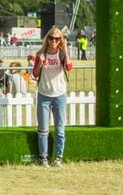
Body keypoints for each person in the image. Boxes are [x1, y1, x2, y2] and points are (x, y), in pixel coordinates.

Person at [32, 27, 73, 167]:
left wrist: (66, 50)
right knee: (43, 129)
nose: (53, 41)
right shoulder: (41, 54)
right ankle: (43, 158)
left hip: (59, 95)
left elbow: (69, 67)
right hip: (44, 94)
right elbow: (35, 74)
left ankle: (58, 158)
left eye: (57, 38)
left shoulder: (62, 54)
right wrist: (40, 63)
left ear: (60, 40)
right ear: (47, 39)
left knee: (59, 129)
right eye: (51, 38)